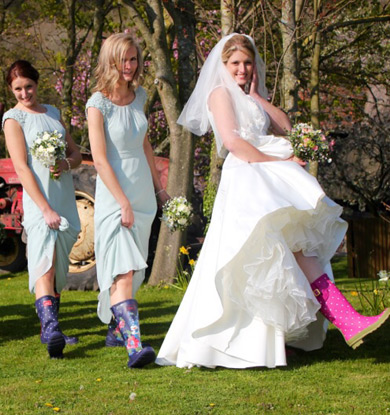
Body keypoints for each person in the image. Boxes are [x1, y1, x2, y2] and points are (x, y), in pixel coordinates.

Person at [156, 33, 389, 369]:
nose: (242, 69)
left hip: (264, 171)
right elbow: (234, 143)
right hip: (248, 177)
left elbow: (286, 126)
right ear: (224, 65)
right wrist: (277, 163)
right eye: (235, 63)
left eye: (248, 62)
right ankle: (338, 319)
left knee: (289, 250)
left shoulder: (249, 96)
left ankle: (332, 321)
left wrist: (257, 97)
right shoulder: (219, 94)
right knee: (257, 258)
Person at [85, 33, 170, 368]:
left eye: (134, 59)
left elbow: (144, 144)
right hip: (114, 193)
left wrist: (159, 187)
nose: (130, 66)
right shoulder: (97, 103)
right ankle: (135, 345)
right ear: (111, 61)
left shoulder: (140, 96)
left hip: (142, 193)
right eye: (124, 60)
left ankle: (115, 328)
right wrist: (122, 202)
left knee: (132, 270)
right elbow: (100, 158)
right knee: (122, 265)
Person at [3, 60, 82, 359]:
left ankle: (51, 327)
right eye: (18, 89)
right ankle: (50, 329)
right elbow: (22, 168)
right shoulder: (13, 119)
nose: (25, 94)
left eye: (29, 87)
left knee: (59, 264)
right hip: (40, 201)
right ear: (12, 91)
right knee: (44, 262)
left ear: (37, 84)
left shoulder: (53, 113)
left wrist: (65, 163)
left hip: (63, 195)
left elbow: (75, 153)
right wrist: (45, 208)